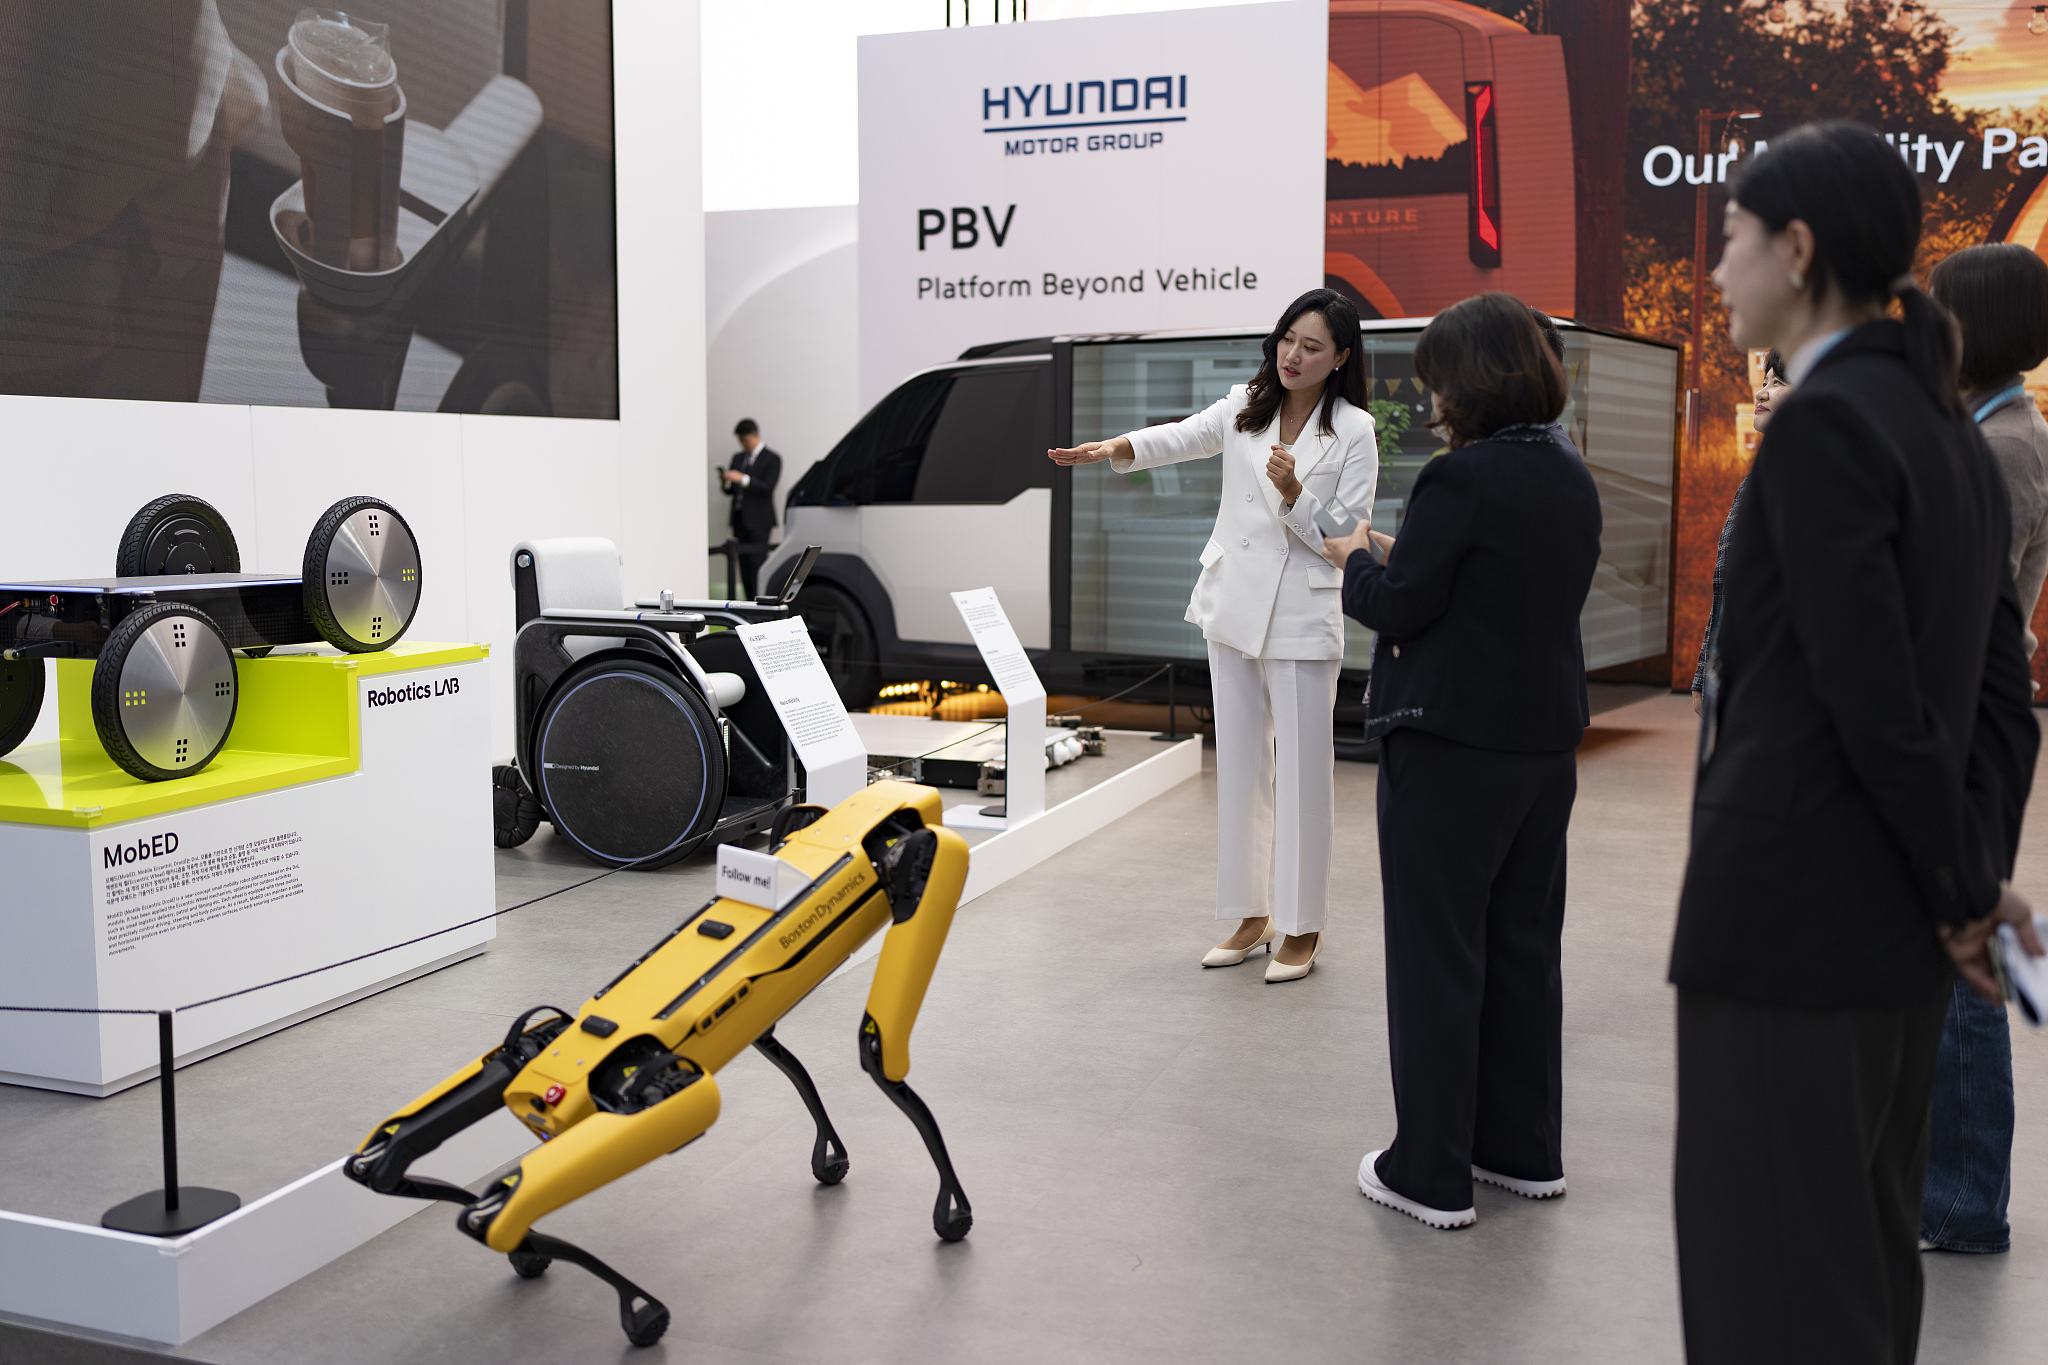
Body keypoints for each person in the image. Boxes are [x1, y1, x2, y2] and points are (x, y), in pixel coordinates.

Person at [1668, 122, 2042, 1364]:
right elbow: (1998, 696)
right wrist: (1964, 882)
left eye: (1727, 240)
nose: (1715, 272)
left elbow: (1868, 699)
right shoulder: (1946, 436)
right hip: (1886, 934)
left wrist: (1959, 890)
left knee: (1769, 1282)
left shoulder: (1828, 427)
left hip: (1787, 926)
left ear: (1796, 247)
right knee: (1861, 1264)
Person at [1324, 292, 1602, 1229]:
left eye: (1438, 376)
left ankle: (1430, 1172)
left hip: (1449, 749)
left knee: (1438, 956)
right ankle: (1521, 1151)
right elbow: (1491, 586)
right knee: (1524, 947)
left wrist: (1355, 561)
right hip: (1542, 747)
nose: (1430, 394)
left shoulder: (1461, 478)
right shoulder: (1567, 470)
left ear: (1474, 378)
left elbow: (1402, 605)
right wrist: (1398, 561)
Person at [1048, 289, 1377, 981]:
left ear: (1341, 357)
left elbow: (1346, 537)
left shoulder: (1354, 430)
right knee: (1241, 770)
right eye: (1288, 337)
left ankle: (1301, 924)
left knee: (1303, 775)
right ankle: (1249, 913)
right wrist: (1119, 446)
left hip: (1299, 613)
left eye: (1312, 346)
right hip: (1231, 607)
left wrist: (1295, 494)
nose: (1293, 354)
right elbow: (1183, 434)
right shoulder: (1243, 403)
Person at [1918, 242, 2048, 1257]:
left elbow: (1961, 604)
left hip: (1968, 721)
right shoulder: (1985, 429)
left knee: (1960, 945)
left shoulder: (2002, 444)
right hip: (1967, 712)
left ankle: (1962, 1201)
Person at [1690, 350, 1788, 714]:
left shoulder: (1812, 481)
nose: (1761, 393)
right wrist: (1704, 674)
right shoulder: (1754, 483)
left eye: (1778, 383)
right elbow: (1725, 588)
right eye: (1764, 382)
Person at [721, 419, 782, 597]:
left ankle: (761, 605)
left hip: (760, 521)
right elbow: (731, 491)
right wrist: (727, 482)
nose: (743, 445)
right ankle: (748, 605)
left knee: (758, 565)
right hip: (739, 519)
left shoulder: (772, 458)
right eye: (740, 441)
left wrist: (743, 479)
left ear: (755, 435)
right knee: (743, 567)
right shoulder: (738, 458)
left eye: (745, 441)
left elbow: (767, 488)